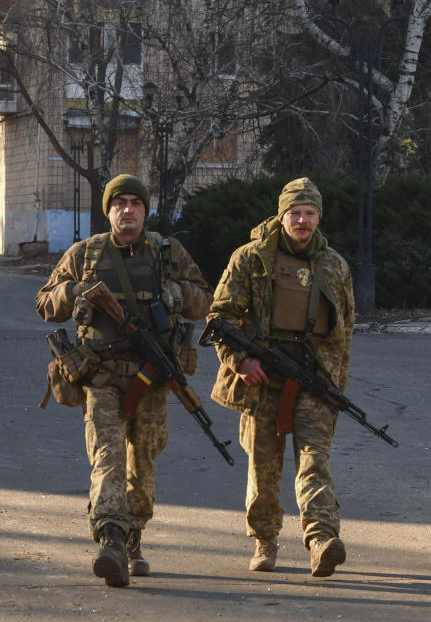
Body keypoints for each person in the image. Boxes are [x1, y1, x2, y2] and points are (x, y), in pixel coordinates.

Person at [36, 174, 212, 587]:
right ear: (109, 210)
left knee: (144, 459)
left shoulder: (168, 253)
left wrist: (175, 293)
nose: (128, 209)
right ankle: (110, 539)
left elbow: (204, 300)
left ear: (145, 210)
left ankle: (133, 535)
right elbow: (45, 303)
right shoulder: (85, 253)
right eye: (120, 203)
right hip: (101, 376)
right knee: (107, 458)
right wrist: (74, 290)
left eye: (135, 202)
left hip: (152, 378)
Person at [207, 177, 355, 577]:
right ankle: (265, 540)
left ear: (318, 217)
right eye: (295, 213)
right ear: (281, 215)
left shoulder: (335, 266)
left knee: (314, 461)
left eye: (309, 213)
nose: (302, 221)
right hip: (261, 378)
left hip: (313, 378)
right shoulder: (250, 259)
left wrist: (333, 386)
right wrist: (239, 361)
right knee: (263, 465)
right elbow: (220, 317)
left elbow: (345, 330)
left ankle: (322, 539)